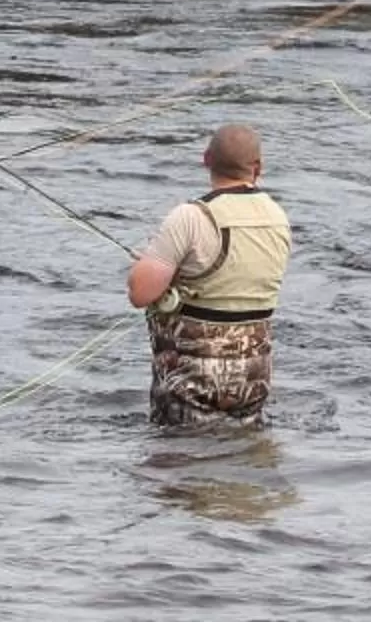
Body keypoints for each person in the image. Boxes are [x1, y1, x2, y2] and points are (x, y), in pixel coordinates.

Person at [125, 123, 293, 426]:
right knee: (244, 463)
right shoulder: (278, 218)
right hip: (253, 378)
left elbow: (141, 293)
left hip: (191, 381)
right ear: (258, 167)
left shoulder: (189, 217)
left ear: (206, 160)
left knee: (179, 466)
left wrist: (150, 261)